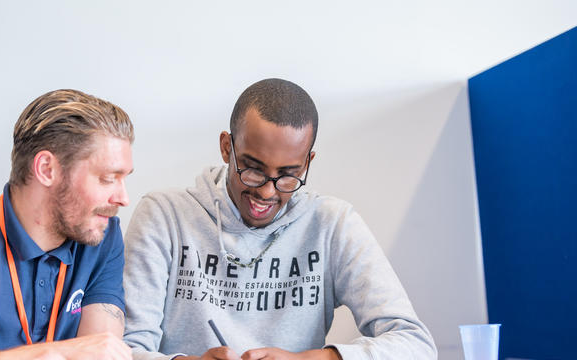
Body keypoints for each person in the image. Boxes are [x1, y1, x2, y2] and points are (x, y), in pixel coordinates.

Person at [123, 79, 437, 360]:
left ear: (307, 163)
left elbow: (416, 346)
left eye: (288, 175)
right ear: (226, 147)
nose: (267, 192)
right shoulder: (165, 215)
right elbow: (123, 350)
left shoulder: (332, 224)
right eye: (253, 169)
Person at [0, 89, 135, 359]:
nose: (123, 198)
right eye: (107, 178)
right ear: (46, 169)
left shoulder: (101, 233)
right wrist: (48, 354)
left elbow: (102, 351)